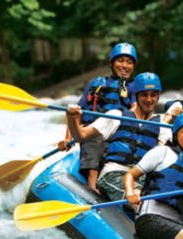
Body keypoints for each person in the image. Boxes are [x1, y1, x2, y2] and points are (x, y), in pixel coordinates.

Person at [65, 72, 171, 203]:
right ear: (136, 95)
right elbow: (81, 135)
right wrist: (72, 119)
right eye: (144, 95)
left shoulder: (163, 126)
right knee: (140, 199)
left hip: (142, 178)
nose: (149, 100)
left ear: (158, 96)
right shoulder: (116, 116)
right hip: (114, 174)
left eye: (153, 95)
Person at [59, 42, 138, 193]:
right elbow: (76, 113)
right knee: (96, 137)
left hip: (118, 133)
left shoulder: (134, 86)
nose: (125, 65)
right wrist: (68, 139)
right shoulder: (97, 84)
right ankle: (92, 184)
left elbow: (136, 108)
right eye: (120, 60)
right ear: (111, 63)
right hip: (93, 132)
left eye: (129, 62)